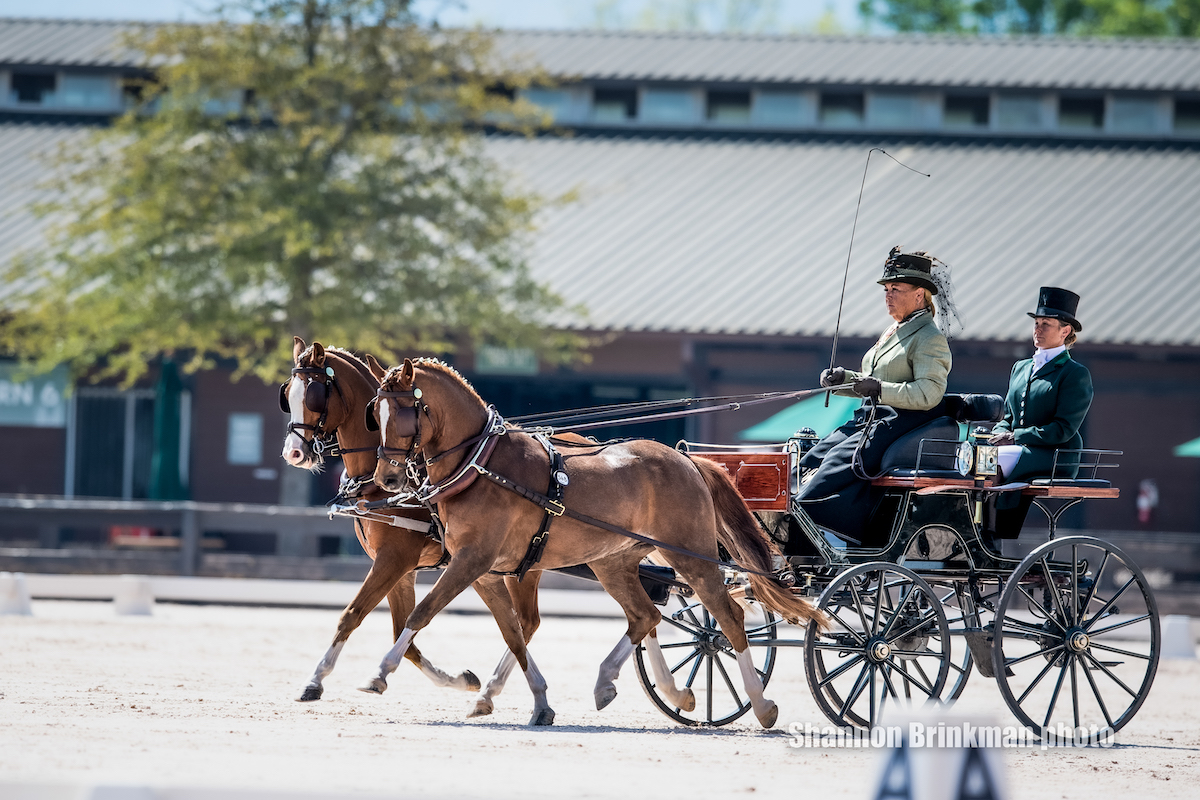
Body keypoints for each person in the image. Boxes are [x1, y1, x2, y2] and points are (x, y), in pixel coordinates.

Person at [793, 246, 956, 543]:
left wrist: (879, 390)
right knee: (809, 460)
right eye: (887, 289)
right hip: (870, 421)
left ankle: (829, 539)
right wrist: (842, 380)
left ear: (919, 295)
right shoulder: (895, 330)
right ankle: (793, 529)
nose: (888, 295)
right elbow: (873, 382)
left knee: (832, 469)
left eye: (896, 288)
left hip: (901, 426)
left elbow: (929, 394)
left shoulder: (929, 338)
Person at [989, 287, 1093, 482]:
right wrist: (997, 435)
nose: (1038, 328)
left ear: (1065, 331)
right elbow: (1008, 417)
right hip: (1018, 449)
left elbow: (1063, 429)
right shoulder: (1020, 367)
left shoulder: (1074, 373)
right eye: (1036, 323)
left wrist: (1015, 437)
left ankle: (997, 512)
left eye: (1046, 323)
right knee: (973, 456)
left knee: (994, 461)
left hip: (1055, 456)